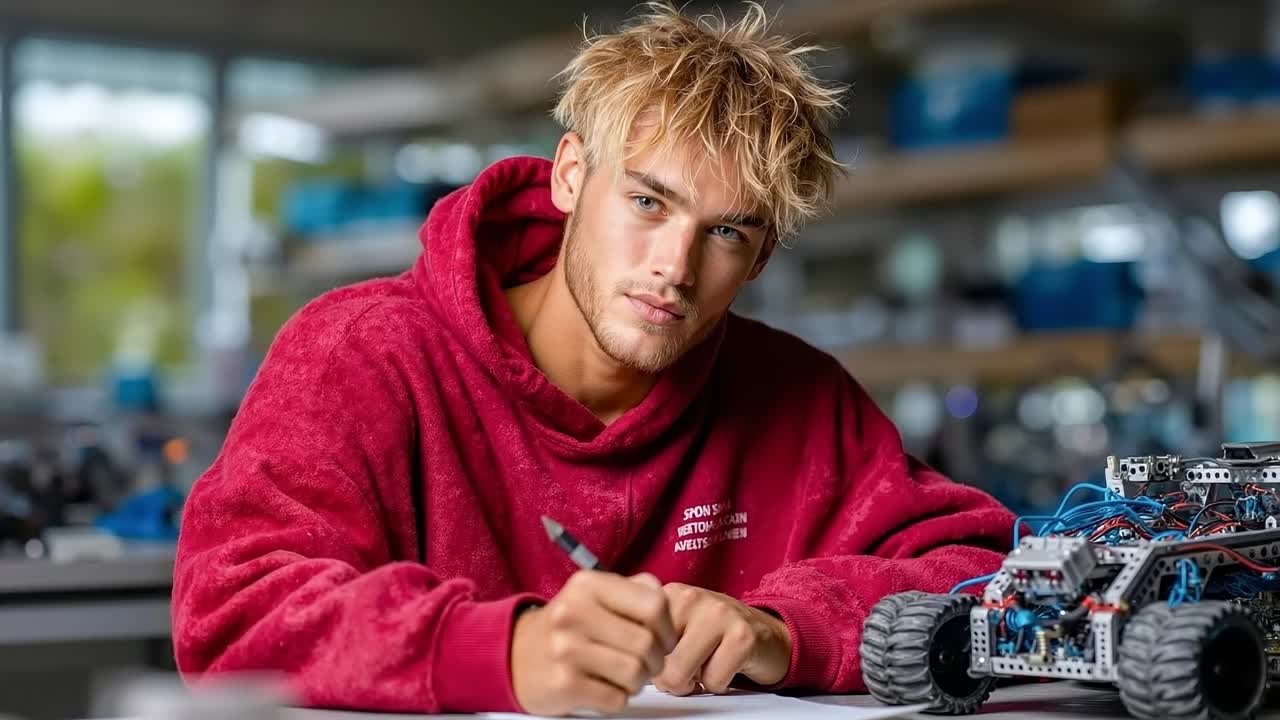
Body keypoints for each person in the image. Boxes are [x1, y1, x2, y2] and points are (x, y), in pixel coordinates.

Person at [171, 2, 1015, 716]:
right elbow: (232, 614)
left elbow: (988, 577)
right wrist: (502, 651)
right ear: (570, 175)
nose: (673, 268)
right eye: (648, 201)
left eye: (725, 232)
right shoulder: (361, 353)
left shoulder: (801, 399)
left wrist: (790, 628)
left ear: (760, 258)